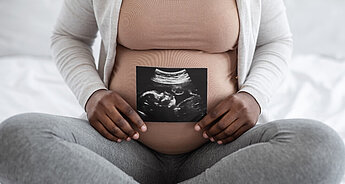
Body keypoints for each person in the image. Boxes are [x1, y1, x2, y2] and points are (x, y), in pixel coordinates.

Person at [0, 0, 344, 183]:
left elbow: (276, 40)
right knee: (17, 137)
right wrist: (92, 95)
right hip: (120, 150)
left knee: (322, 146)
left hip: (221, 152)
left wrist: (254, 96)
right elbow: (68, 37)